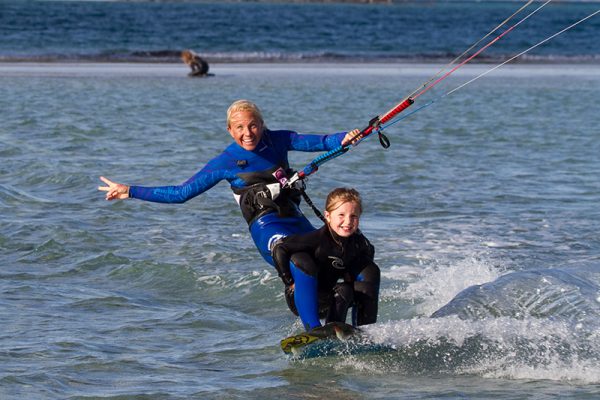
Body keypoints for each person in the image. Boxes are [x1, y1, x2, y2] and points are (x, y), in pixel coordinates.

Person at [99, 99, 361, 269]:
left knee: (336, 259)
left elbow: (322, 142)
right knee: (301, 263)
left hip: (294, 216)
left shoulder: (278, 140)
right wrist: (130, 190)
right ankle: (313, 325)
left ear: (261, 125)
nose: (248, 134)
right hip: (266, 225)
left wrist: (346, 137)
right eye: (240, 128)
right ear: (229, 130)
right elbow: (181, 193)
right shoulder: (224, 162)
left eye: (253, 125)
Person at [272, 188, 380, 331]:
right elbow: (280, 248)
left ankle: (365, 332)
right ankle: (317, 330)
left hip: (333, 296)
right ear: (327, 216)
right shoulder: (316, 239)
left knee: (370, 272)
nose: (347, 222)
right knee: (302, 260)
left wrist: (350, 277)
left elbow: (369, 252)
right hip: (304, 297)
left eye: (354, 216)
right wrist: (289, 281)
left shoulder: (359, 243)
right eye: (341, 215)